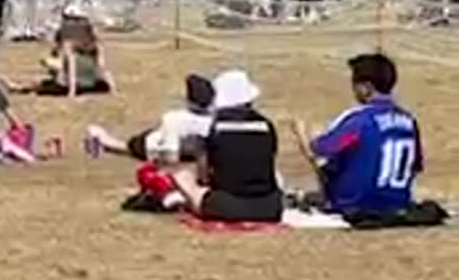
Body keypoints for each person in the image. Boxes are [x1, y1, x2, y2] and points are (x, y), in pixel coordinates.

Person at [291, 53, 422, 217]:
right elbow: (415, 166)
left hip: (355, 203)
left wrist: (302, 134)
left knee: (322, 155)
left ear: (366, 88)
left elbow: (321, 149)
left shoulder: (359, 120)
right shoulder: (409, 120)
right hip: (398, 200)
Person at [172, 70, 283, 222]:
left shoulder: (215, 127)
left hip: (225, 205)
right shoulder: (266, 125)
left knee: (183, 177)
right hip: (270, 207)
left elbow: (203, 176)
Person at [86, 74, 214, 162]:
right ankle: (99, 136)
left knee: (122, 147)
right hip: (154, 146)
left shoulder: (175, 117)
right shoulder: (214, 121)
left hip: (158, 144)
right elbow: (170, 153)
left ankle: (99, 136)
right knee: (123, 147)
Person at [34, 10, 114, 96]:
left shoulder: (68, 43)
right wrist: (112, 87)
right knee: (42, 81)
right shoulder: (94, 42)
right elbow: (102, 66)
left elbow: (71, 66)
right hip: (92, 81)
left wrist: (71, 91)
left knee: (47, 63)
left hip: (73, 82)